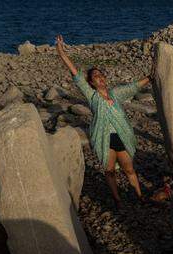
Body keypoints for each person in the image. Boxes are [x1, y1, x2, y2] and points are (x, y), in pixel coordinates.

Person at [55, 35, 152, 209]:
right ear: (91, 83)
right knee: (109, 172)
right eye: (95, 76)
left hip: (121, 137)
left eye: (101, 75)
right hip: (104, 139)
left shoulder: (116, 93)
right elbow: (76, 74)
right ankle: (117, 200)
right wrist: (61, 52)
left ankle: (139, 195)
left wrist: (151, 76)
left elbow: (134, 87)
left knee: (129, 169)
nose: (99, 77)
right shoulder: (92, 96)